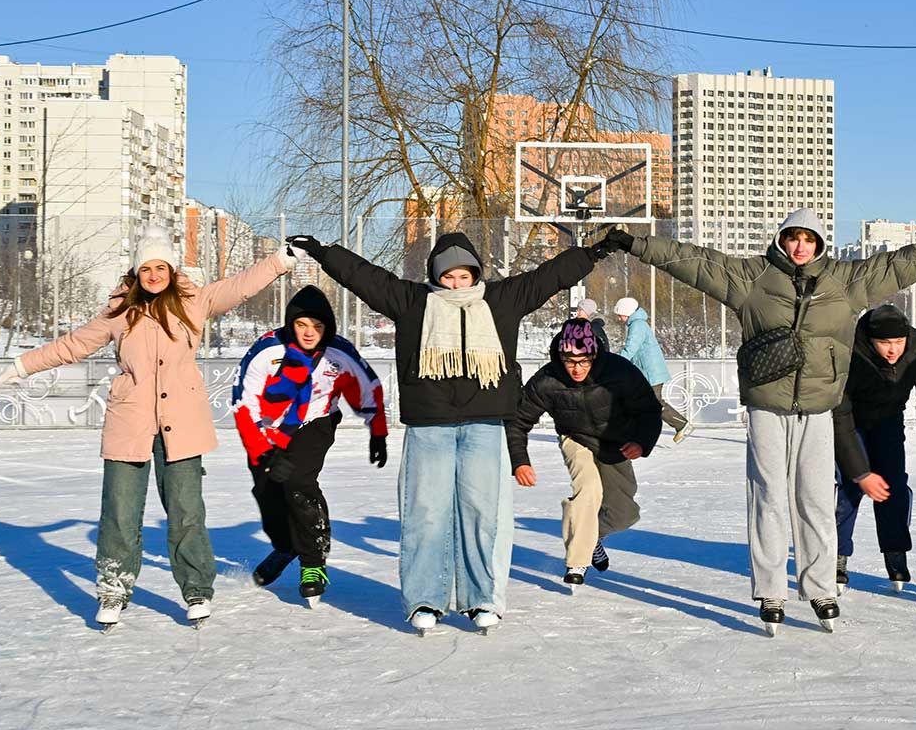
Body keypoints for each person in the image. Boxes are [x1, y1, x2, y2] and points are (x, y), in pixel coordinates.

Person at [600, 209, 916, 634]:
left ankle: (821, 585)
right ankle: (771, 589)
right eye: (793, 238)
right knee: (768, 496)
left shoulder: (845, 283)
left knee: (815, 499)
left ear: (820, 243)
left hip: (819, 407)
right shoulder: (752, 278)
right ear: (781, 240)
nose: (800, 247)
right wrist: (635, 243)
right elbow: (694, 262)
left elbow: (899, 265)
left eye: (808, 240)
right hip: (767, 405)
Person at [286, 229, 608, 636]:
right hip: (429, 426)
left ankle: (482, 599)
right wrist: (323, 250)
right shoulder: (412, 302)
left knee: (481, 514)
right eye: (448, 276)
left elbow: (549, 276)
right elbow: (363, 276)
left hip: (486, 424)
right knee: (425, 513)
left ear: (475, 274)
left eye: (464, 276)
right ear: (435, 275)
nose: (456, 283)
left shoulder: (501, 300)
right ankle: (425, 599)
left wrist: (592, 253)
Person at [0, 225, 294, 629]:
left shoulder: (194, 302)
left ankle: (196, 590)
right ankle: (114, 589)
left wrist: (278, 262)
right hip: (129, 422)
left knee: (186, 512)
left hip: (183, 423)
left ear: (172, 269)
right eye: (146, 268)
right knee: (120, 512)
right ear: (136, 272)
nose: (153, 275)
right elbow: (73, 344)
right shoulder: (119, 311)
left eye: (161, 267)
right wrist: (22, 365)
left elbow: (240, 286)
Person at [233, 285, 390, 607]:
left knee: (298, 483)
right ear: (291, 325)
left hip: (315, 422)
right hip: (268, 429)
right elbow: (243, 404)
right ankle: (286, 545)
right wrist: (263, 451)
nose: (309, 333)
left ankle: (313, 563)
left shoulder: (339, 352)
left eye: (317, 327)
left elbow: (367, 387)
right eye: (302, 325)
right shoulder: (267, 350)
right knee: (267, 492)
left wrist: (377, 431)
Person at [507, 318, 663, 587]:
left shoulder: (619, 372)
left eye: (583, 361)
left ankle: (592, 538)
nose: (576, 368)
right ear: (560, 356)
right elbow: (518, 422)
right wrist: (520, 462)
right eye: (569, 361)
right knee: (588, 489)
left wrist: (641, 442)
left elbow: (649, 409)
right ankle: (577, 561)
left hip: (615, 442)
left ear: (594, 354)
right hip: (575, 437)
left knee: (624, 513)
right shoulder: (548, 379)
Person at [832, 304, 916, 594]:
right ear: (871, 340)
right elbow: (839, 412)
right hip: (848, 421)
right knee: (849, 486)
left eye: (897, 343)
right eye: (884, 343)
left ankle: (895, 552)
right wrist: (860, 471)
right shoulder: (850, 349)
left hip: (888, 420)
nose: (893, 350)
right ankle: (836, 556)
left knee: (893, 486)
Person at [614, 296, 693, 443]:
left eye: (620, 315)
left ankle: (681, 424)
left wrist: (616, 362)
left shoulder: (637, 326)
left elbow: (631, 348)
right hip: (647, 372)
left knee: (653, 402)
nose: (619, 319)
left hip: (650, 372)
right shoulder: (637, 324)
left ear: (627, 312)